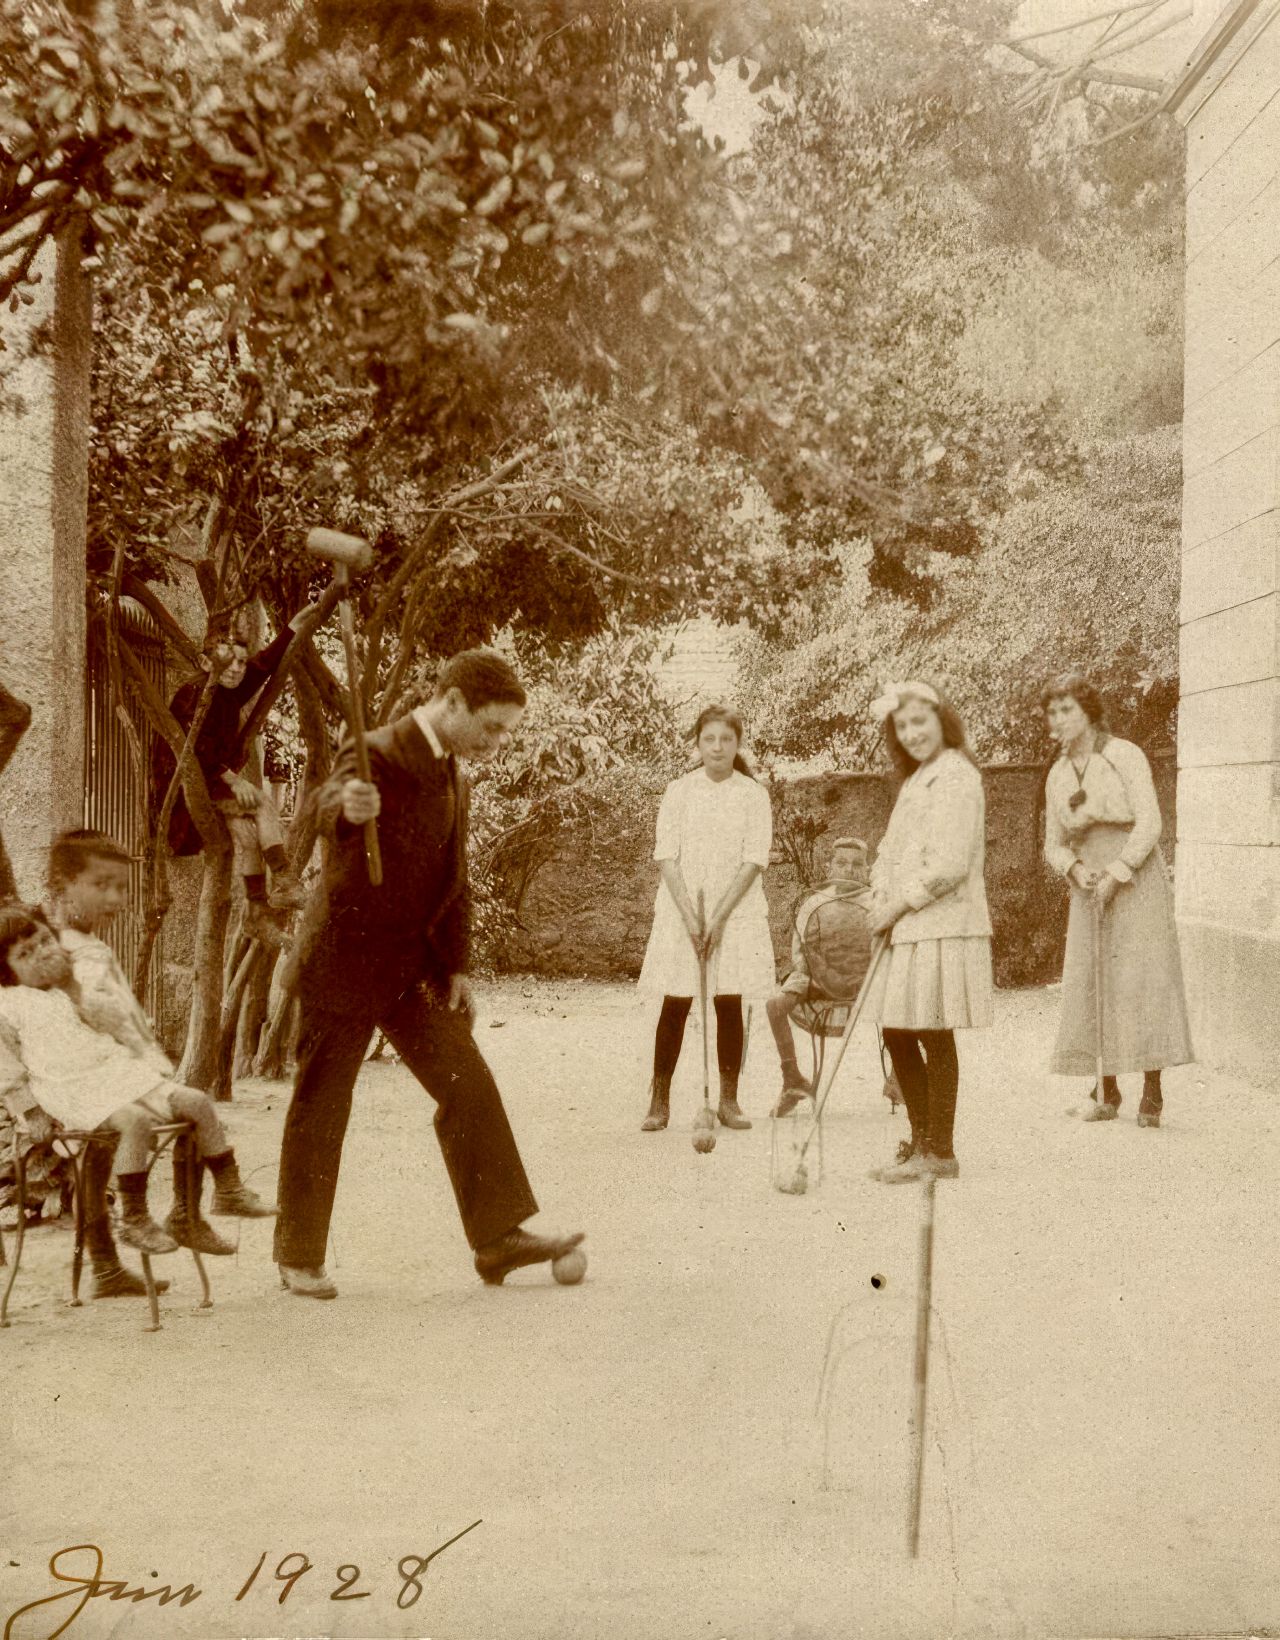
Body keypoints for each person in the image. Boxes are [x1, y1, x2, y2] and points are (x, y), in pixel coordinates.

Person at [271, 649, 584, 1300]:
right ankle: (298, 1255)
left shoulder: (455, 775)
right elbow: (324, 806)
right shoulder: (375, 752)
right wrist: (346, 811)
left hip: (411, 968)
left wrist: (459, 966)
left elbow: (454, 881)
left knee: (468, 1084)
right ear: (452, 703)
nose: (497, 745)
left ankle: (498, 1239)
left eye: (506, 734)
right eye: (492, 728)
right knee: (322, 1104)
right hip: (343, 960)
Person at [0, 905, 275, 1259]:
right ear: (6, 971)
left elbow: (116, 1024)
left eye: (43, 941)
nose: (41, 954)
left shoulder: (75, 983)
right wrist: (31, 1111)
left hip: (113, 1073)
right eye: (25, 953)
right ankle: (133, 1216)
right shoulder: (8, 1004)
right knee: (135, 1121)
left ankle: (228, 1190)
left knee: (197, 1102)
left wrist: (75, 989)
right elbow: (5, 1065)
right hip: (67, 1088)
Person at [1041, 671, 1192, 1127]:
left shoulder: (1124, 755)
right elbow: (1053, 842)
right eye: (1052, 712)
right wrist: (1075, 868)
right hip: (1087, 883)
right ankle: (1105, 1089)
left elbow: (1150, 822)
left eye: (1067, 709)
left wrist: (1118, 872)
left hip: (1135, 875)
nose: (1059, 718)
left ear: (1088, 711)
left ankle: (1153, 1091)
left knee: (1143, 978)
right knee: (1093, 980)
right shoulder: (1057, 774)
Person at [861, 681, 992, 1182]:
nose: (912, 733)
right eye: (902, 726)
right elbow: (889, 852)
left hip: (942, 922)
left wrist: (895, 906)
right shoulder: (917, 780)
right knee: (896, 1027)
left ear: (943, 720)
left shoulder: (958, 775)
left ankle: (941, 1150)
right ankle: (920, 1141)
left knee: (933, 1031)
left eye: (921, 721)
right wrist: (878, 896)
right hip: (907, 926)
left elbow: (950, 865)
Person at [150, 603, 324, 946]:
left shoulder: (229, 690)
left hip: (209, 784)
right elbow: (191, 757)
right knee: (260, 805)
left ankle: (257, 914)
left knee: (246, 834)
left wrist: (293, 623)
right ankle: (285, 880)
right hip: (183, 798)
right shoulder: (194, 696)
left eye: (240, 663)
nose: (235, 670)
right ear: (205, 663)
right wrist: (234, 779)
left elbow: (264, 664)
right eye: (225, 663)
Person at [637, 705, 775, 1133]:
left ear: (738, 744)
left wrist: (717, 918)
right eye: (709, 739)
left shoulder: (753, 794)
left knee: (729, 1001)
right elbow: (666, 855)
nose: (717, 747)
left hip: (735, 911)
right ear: (697, 743)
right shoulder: (679, 791)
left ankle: (729, 1100)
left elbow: (754, 860)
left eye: (726, 740)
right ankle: (659, 1099)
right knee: (676, 1001)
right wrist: (691, 918)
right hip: (684, 910)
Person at [767, 836, 874, 1118]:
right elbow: (799, 951)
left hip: (867, 982)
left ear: (867, 869)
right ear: (830, 867)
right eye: (841, 863)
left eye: (857, 864)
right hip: (818, 978)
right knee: (775, 1005)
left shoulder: (877, 901)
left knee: (903, 996)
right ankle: (792, 1079)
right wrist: (812, 977)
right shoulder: (813, 903)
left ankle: (899, 1079)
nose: (849, 870)